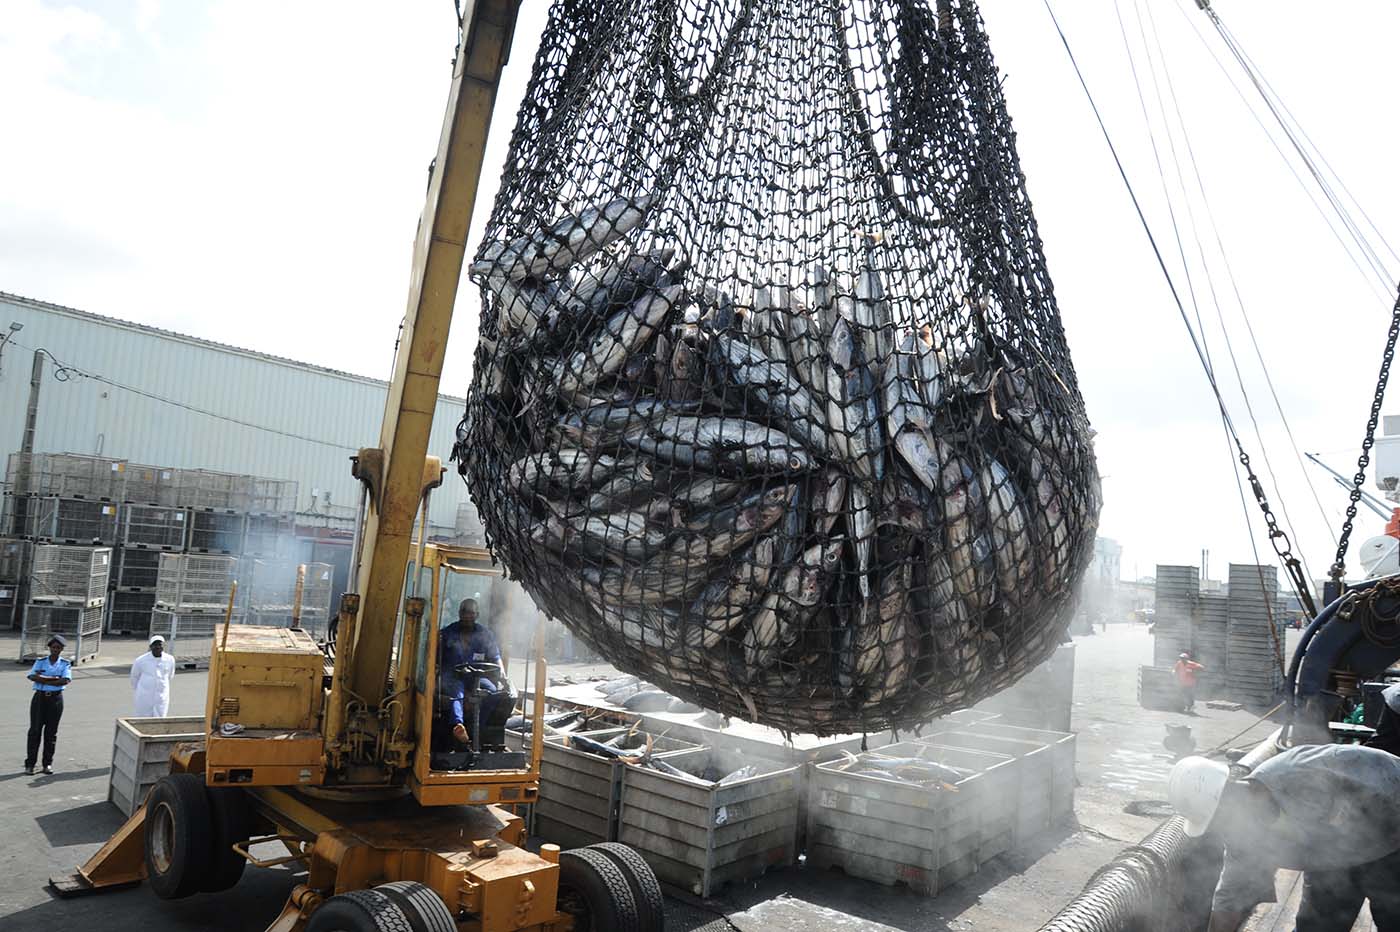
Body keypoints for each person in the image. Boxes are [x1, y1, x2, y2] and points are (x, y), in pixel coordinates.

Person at [1169, 745, 1400, 932]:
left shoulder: (1299, 770)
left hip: (1392, 844)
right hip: (1333, 863)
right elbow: (1231, 896)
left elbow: (1385, 771)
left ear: (1227, 798)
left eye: (1216, 820)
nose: (1221, 829)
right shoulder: (1244, 837)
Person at [438, 598, 504, 744]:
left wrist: (502, 671)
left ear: (477, 615)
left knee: (493, 691)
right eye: (464, 612)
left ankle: (477, 727)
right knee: (458, 692)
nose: (467, 616)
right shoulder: (448, 633)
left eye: (471, 613)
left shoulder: (485, 635)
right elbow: (434, 655)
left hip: (475, 677)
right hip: (452, 677)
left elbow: (495, 655)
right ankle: (458, 725)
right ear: (459, 613)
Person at [24, 635, 72, 775]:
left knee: (51, 733)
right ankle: (30, 764)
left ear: (62, 649)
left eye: (58, 648)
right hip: (39, 698)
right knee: (35, 731)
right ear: (49, 648)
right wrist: (53, 679)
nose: (55, 650)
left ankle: (47, 764)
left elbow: (64, 680)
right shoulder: (41, 662)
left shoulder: (65, 664)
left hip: (55, 700)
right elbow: (32, 676)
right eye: (53, 647)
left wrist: (42, 679)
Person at [130, 634, 176, 717]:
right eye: (155, 645)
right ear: (150, 646)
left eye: (160, 644)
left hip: (161, 696)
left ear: (163, 646)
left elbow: (170, 675)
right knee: (142, 718)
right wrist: (144, 688)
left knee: (160, 718)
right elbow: (134, 677)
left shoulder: (170, 659)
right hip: (144, 696)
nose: (158, 647)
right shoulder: (141, 660)